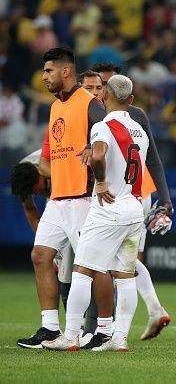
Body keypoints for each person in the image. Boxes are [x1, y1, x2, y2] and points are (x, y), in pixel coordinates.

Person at [42, 75, 148, 352]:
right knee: (124, 275)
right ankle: (120, 338)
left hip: (109, 207)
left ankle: (71, 335)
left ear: (104, 96)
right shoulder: (140, 131)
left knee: (82, 270)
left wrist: (99, 181)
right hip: (133, 207)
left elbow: (99, 155)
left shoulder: (102, 126)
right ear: (132, 100)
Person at [16, 47, 106, 349]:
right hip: (57, 199)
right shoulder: (56, 108)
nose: (44, 77)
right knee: (40, 256)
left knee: (94, 266)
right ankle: (50, 328)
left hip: (82, 198)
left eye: (49, 71)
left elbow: (107, 140)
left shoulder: (90, 104)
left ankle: (104, 330)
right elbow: (47, 160)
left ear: (66, 72)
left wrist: (94, 153)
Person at [91, 62, 172, 341]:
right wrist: (165, 196)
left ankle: (103, 327)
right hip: (139, 196)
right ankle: (150, 309)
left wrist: (166, 197)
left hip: (119, 195)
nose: (100, 91)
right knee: (126, 260)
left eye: (102, 86)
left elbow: (153, 159)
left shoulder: (101, 114)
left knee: (104, 261)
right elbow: (154, 159)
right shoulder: (136, 114)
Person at [9, 150, 73, 312]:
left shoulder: (52, 165)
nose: (36, 192)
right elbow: (30, 209)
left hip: (74, 187)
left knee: (76, 257)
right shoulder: (24, 177)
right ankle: (53, 325)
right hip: (55, 197)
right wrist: (47, 244)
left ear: (39, 175)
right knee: (49, 257)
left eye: (35, 188)